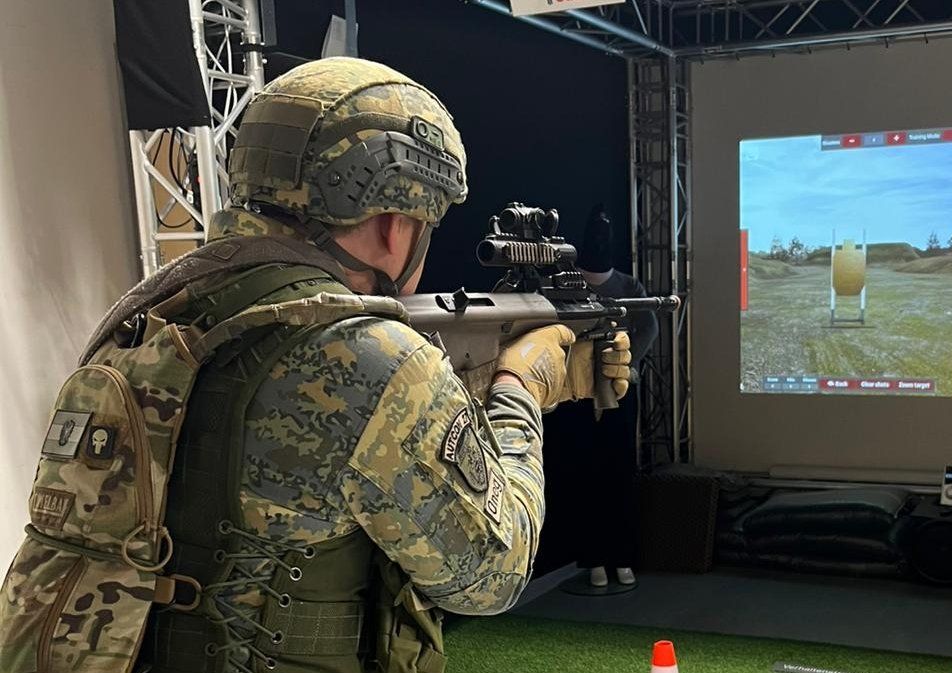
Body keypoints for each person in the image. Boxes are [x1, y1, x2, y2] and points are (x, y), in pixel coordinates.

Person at [0, 58, 630, 673]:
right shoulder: (363, 355)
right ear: (393, 224)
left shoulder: (152, 306)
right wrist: (522, 386)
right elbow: (494, 574)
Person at [574, 205, 659, 587]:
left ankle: (622, 556)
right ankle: (593, 557)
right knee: (588, 477)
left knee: (621, 473)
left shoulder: (629, 287)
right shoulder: (568, 286)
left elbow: (649, 326)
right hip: (577, 395)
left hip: (621, 394)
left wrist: (622, 365)